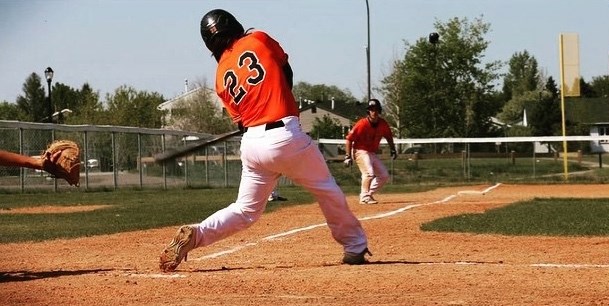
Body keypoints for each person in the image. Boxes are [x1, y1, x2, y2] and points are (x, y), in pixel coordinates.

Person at [159, 9, 370, 272]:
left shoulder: (221, 75)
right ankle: (354, 245)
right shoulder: (257, 39)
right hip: (285, 135)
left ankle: (197, 234)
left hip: (253, 144)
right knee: (326, 189)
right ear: (234, 25)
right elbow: (287, 74)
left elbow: (240, 121)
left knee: (245, 211)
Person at [344, 99, 398, 204]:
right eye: (371, 110)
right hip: (360, 151)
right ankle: (364, 197)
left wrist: (392, 149)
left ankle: (368, 194)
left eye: (376, 109)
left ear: (379, 111)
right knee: (369, 173)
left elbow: (388, 136)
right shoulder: (362, 124)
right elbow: (349, 139)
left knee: (384, 175)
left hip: (371, 152)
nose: (374, 112)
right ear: (368, 111)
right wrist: (347, 156)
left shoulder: (383, 123)